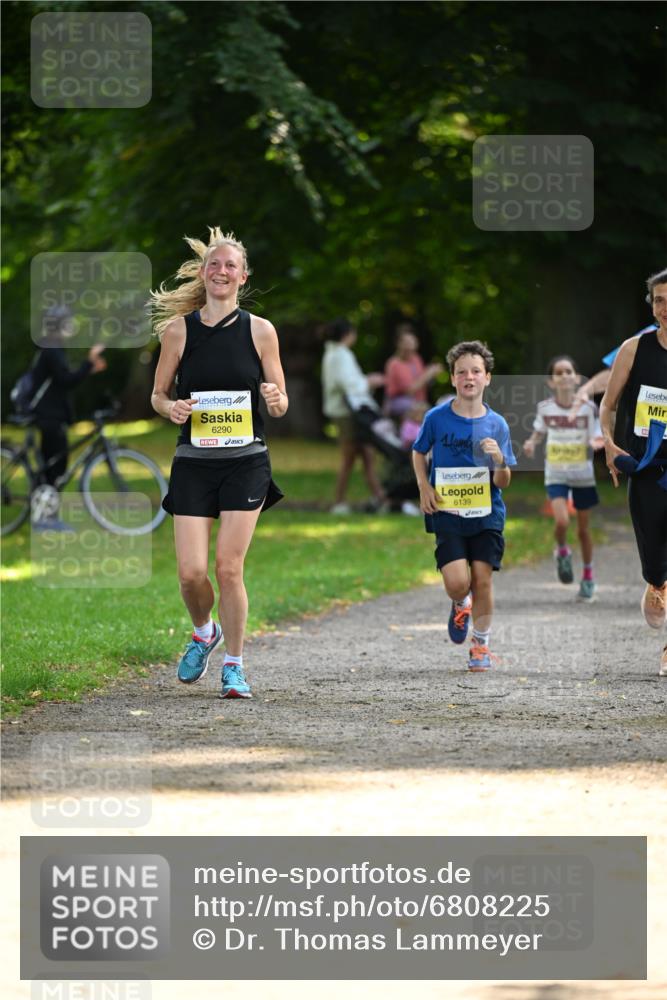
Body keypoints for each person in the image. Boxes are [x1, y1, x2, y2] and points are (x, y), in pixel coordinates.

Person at [150, 228, 288, 699]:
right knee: (190, 573)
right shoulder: (178, 331)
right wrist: (169, 409)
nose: (222, 271)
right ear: (204, 273)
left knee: (229, 567)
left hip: (246, 461)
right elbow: (158, 394)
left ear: (242, 276)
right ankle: (204, 631)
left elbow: (281, 401)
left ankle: (234, 664)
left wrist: (274, 397)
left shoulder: (261, 331)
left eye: (230, 265)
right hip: (193, 460)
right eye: (215, 264)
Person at [412, 340, 516, 671]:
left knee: (483, 578)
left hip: (487, 513)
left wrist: (499, 460)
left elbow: (503, 481)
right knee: (458, 581)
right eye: (461, 372)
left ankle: (481, 646)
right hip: (448, 510)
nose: (468, 377)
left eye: (475, 371)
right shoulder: (436, 418)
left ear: (487, 378)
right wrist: (424, 485)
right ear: (453, 379)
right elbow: (418, 451)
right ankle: (461, 602)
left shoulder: (497, 424)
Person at [599, 268, 667, 676]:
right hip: (644, 469)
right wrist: (608, 443)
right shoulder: (633, 349)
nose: (665, 308)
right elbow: (607, 406)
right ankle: (656, 582)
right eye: (659, 300)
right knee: (656, 559)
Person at [523, 355, 604, 601]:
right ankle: (562, 551)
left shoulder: (590, 408)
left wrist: (595, 443)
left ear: (577, 378)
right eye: (559, 373)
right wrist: (530, 443)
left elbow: (599, 435)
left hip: (582, 474)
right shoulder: (546, 408)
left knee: (583, 530)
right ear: (551, 381)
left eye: (569, 371)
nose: (565, 376)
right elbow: (538, 432)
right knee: (561, 522)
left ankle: (588, 577)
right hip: (556, 472)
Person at [31, 305, 107, 529]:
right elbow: (66, 381)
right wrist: (90, 359)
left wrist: (89, 368)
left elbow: (62, 381)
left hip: (52, 416)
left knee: (53, 468)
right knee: (54, 469)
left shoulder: (53, 348)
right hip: (49, 416)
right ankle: (46, 519)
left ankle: (44, 515)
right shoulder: (51, 349)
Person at [321, 317, 386, 514]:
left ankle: (380, 498)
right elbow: (348, 384)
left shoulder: (335, 353)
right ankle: (340, 501)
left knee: (367, 455)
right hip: (347, 413)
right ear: (347, 334)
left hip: (348, 412)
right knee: (350, 457)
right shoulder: (339, 355)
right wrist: (370, 382)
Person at [384, 322, 443, 420]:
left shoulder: (416, 359)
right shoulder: (394, 364)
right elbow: (409, 390)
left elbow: (422, 382)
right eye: (406, 343)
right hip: (399, 403)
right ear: (398, 344)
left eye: (412, 343)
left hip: (419, 402)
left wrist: (432, 376)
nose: (410, 348)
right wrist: (429, 373)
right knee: (419, 410)